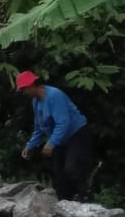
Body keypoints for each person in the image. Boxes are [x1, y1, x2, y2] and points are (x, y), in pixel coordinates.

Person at [17, 71, 94, 200]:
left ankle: (85, 198)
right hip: (60, 137)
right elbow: (39, 126)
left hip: (76, 133)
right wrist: (30, 145)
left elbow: (63, 122)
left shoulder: (54, 95)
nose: (24, 93)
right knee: (59, 173)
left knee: (72, 168)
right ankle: (64, 203)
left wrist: (51, 143)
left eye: (24, 89)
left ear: (32, 85)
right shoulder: (35, 102)